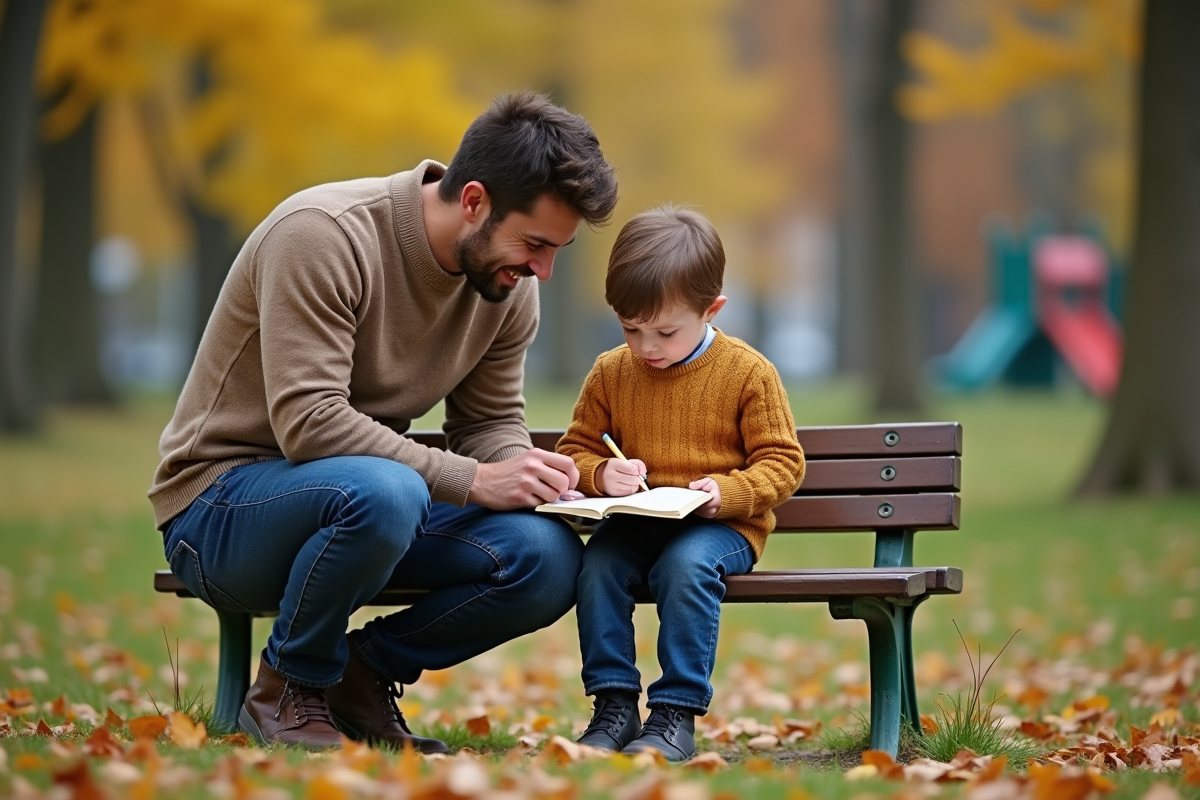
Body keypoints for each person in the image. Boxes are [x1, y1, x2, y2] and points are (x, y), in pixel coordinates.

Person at [149, 92, 618, 751]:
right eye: (535, 244)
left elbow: (487, 422)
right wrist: (473, 480)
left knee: (546, 556)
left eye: (556, 250)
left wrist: (528, 474)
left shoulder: (507, 287)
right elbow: (310, 422)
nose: (542, 269)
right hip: (221, 509)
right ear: (475, 201)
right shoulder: (322, 235)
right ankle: (287, 686)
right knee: (387, 492)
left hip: (364, 510)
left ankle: (361, 675)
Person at [556, 206, 805, 762]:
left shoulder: (747, 372)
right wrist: (601, 474)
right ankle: (614, 706)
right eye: (630, 329)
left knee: (686, 565)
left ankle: (674, 714)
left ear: (711, 309)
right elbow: (576, 449)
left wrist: (727, 493)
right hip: (639, 522)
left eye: (665, 332)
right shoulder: (610, 372)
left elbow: (783, 462)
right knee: (598, 566)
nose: (646, 346)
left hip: (722, 527)